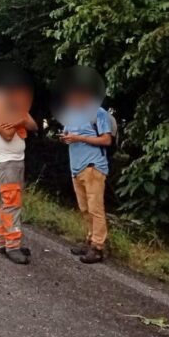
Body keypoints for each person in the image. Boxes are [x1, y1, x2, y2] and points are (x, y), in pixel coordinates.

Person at [54, 69, 114, 265]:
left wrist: (78, 138)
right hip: (76, 167)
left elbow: (106, 140)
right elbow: (70, 135)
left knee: (96, 208)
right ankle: (90, 240)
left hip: (93, 166)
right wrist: (66, 138)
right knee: (84, 208)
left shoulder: (98, 113)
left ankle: (98, 247)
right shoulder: (70, 114)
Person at [0, 72, 37, 265]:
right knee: (12, 204)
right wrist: (21, 119)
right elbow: (7, 134)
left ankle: (2, 241)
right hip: (6, 162)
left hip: (16, 160)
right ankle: (12, 246)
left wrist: (18, 119)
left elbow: (33, 125)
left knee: (9, 203)